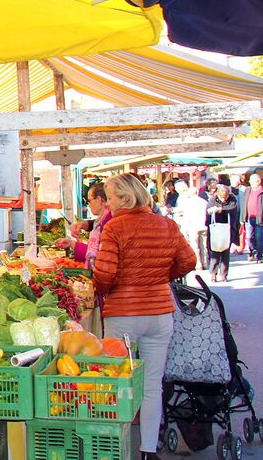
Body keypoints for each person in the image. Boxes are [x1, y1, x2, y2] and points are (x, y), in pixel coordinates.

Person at [92, 172, 195, 460]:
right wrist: (159, 277)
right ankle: (148, 450)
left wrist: (106, 288)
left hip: (123, 314)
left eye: (110, 197)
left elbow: (104, 273)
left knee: (115, 381)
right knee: (152, 385)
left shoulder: (114, 229)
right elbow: (188, 261)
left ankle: (113, 448)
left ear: (125, 197)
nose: (108, 202)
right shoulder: (167, 225)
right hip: (159, 312)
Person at [53, 183, 113, 268]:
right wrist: (84, 225)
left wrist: (72, 244)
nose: (88, 204)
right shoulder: (105, 219)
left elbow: (98, 254)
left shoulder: (110, 222)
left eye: (88, 201)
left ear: (99, 200)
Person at [172, 180, 209, 270]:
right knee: (204, 245)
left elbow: (182, 211)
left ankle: (198, 264)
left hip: (192, 225)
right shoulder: (203, 201)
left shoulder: (188, 201)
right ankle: (205, 263)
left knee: (194, 246)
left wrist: (172, 210)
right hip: (203, 225)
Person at [207, 184, 239, 282]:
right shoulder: (213, 200)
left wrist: (221, 210)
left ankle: (224, 275)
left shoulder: (232, 200)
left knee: (225, 253)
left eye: (225, 197)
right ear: (218, 194)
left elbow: (233, 210)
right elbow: (207, 213)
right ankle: (213, 273)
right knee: (215, 253)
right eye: (222, 197)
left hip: (227, 229)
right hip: (215, 230)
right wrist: (211, 211)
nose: (224, 199)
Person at [240, 173, 263, 261]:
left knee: (259, 237)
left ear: (258, 181)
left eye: (252, 182)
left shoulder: (262, 191)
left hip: (259, 218)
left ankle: (259, 255)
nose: (251, 183)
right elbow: (244, 203)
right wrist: (242, 218)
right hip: (248, 217)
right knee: (249, 237)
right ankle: (252, 251)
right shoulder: (247, 190)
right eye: (250, 181)